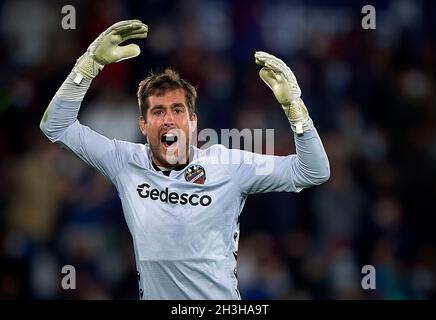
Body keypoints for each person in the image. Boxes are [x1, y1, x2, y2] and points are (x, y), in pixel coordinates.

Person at [40, 20, 330, 299]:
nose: (168, 119)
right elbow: (56, 126)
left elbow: (313, 171)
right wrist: (88, 66)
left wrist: (295, 109)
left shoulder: (228, 165)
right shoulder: (124, 161)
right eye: (157, 112)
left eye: (177, 110)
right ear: (143, 125)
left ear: (193, 122)